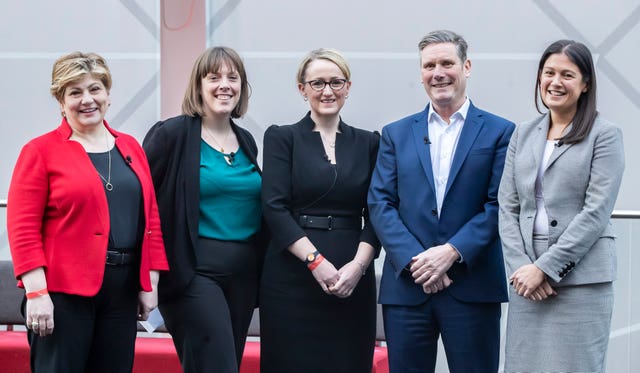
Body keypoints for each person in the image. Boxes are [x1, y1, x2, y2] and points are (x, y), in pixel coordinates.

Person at [6, 52, 168, 373]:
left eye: (95, 89)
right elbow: (22, 228)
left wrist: (150, 283)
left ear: (107, 94)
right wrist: (37, 292)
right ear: (61, 101)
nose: (87, 100)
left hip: (121, 293)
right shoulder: (40, 151)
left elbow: (150, 218)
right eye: (75, 92)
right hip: (62, 295)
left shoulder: (130, 147)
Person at [368, 30, 515, 373]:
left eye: (447, 63)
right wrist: (418, 262)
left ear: (466, 67)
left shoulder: (500, 131)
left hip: (472, 285)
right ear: (421, 73)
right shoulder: (396, 133)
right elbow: (380, 203)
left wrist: (450, 253)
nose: (438, 72)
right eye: (429, 65)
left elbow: (500, 204)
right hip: (408, 287)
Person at [498, 39, 624, 372]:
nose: (555, 82)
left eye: (567, 75)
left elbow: (596, 212)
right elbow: (507, 206)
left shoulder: (605, 135)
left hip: (580, 280)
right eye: (549, 72)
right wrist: (522, 268)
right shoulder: (523, 133)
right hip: (526, 280)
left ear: (585, 85)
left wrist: (545, 268)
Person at [143, 46, 265, 373]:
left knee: (225, 364)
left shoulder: (247, 141)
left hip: (242, 277)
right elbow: (145, 206)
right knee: (217, 365)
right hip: (192, 273)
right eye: (214, 77)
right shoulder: (170, 135)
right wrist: (147, 279)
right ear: (199, 86)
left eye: (233, 77)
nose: (224, 84)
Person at [260, 48, 380, 373]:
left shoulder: (369, 142)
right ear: (302, 89)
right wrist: (315, 262)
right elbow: (274, 207)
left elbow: (378, 212)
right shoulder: (282, 137)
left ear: (348, 87)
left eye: (336, 82)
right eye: (317, 83)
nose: (327, 91)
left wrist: (358, 266)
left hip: (353, 279)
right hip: (291, 280)